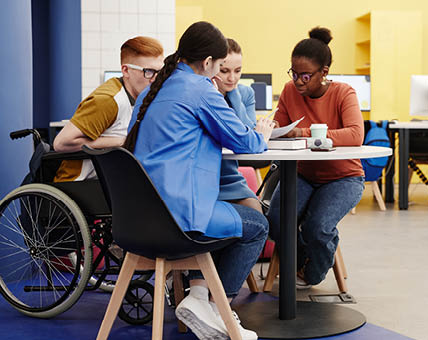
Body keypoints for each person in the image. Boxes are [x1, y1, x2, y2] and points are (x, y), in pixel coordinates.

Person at [125, 22, 274, 340]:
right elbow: (245, 142)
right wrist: (262, 133)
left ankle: (198, 299)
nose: (222, 75)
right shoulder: (200, 89)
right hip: (179, 220)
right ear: (207, 63)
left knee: (229, 210)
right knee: (256, 225)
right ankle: (217, 310)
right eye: (221, 67)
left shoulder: (153, 90)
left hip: (138, 220)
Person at [267, 27, 365, 290]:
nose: (298, 81)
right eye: (294, 73)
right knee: (275, 220)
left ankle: (312, 272)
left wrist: (305, 133)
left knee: (318, 228)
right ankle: (302, 259)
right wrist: (269, 127)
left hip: (344, 178)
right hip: (303, 174)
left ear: (324, 72)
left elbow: (355, 134)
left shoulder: (344, 93)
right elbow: (282, 128)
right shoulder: (290, 91)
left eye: (305, 76)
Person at [53, 36, 164, 181]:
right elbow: (61, 143)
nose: (155, 79)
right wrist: (121, 142)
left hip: (107, 180)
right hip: (80, 184)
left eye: (160, 72)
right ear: (125, 70)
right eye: (148, 71)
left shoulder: (140, 98)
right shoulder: (108, 100)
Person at [214, 38, 262, 213]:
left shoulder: (246, 93)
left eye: (238, 71)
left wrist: (233, 92)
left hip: (230, 175)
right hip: (209, 174)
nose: (232, 77)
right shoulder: (204, 93)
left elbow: (247, 132)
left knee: (257, 211)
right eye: (224, 71)